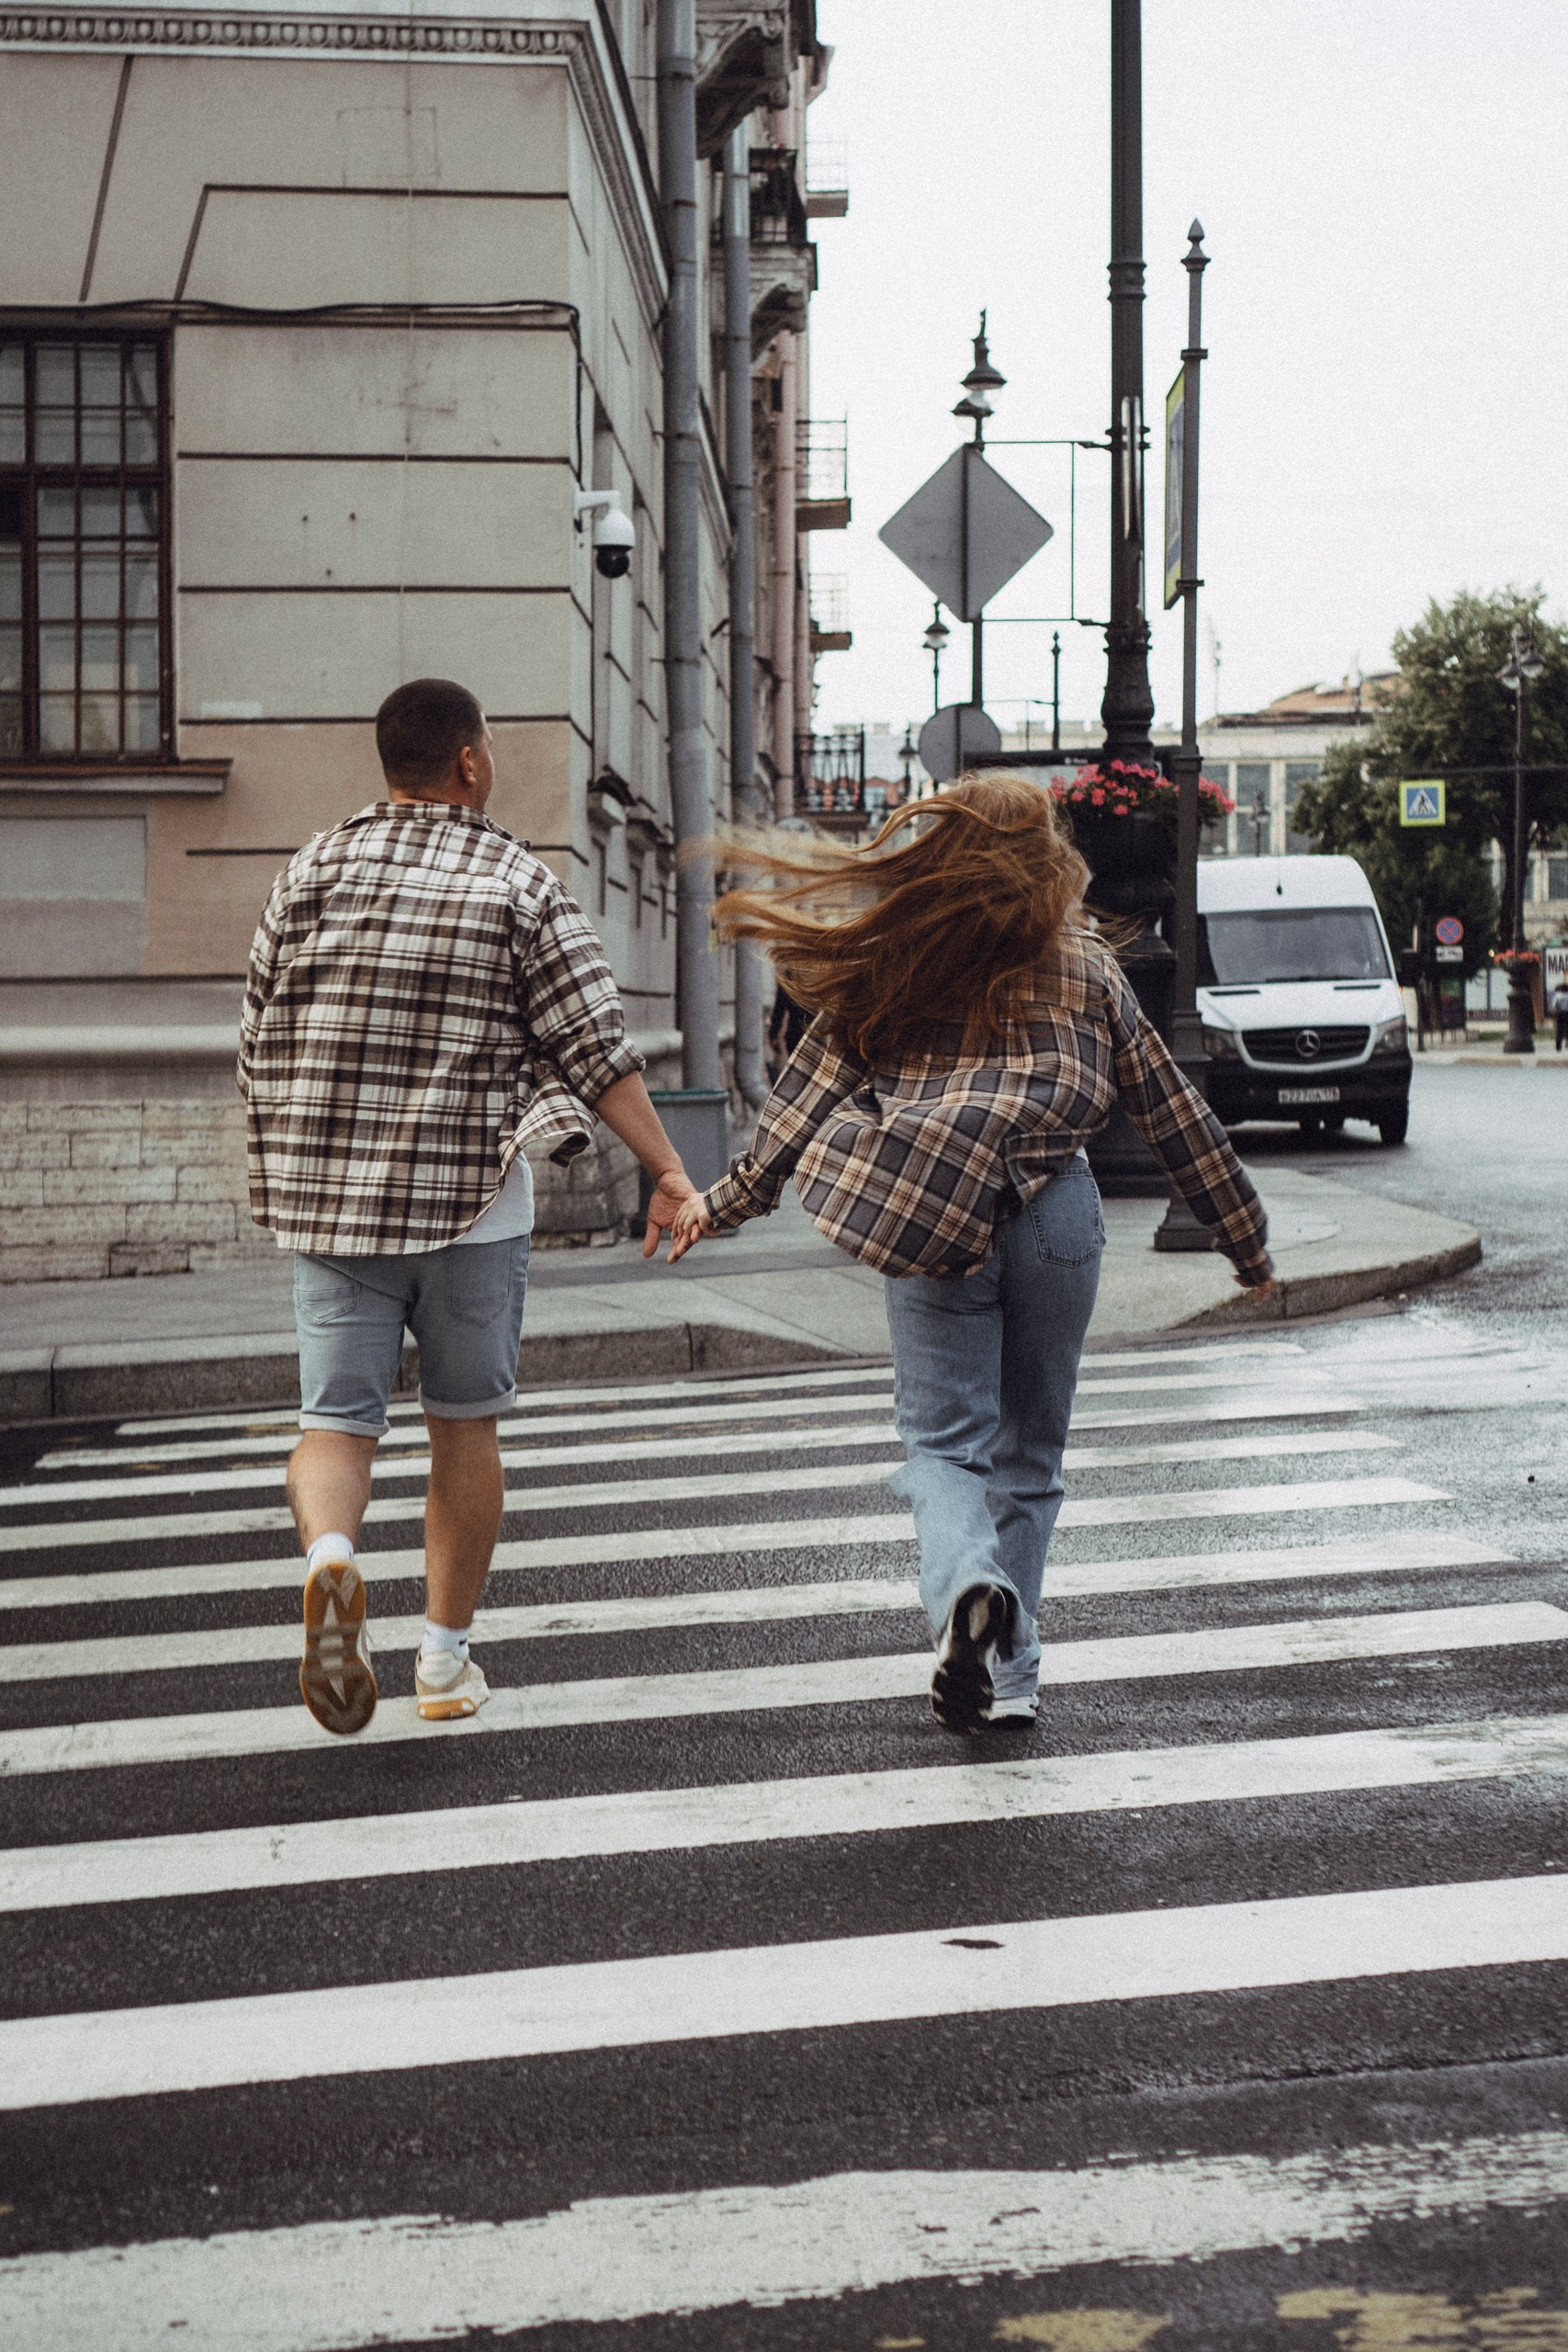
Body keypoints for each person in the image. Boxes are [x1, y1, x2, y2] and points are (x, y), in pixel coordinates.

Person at [670, 775, 1276, 1735]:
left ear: (939, 852)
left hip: (928, 1210)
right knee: (1029, 1455)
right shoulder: (1086, 965)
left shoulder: (898, 960)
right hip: (1059, 1215)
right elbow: (1172, 1106)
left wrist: (724, 1201)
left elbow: (802, 1099)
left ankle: (967, 1587)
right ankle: (1014, 1664)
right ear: (1041, 857)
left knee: (943, 1445)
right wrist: (1243, 1237)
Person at [238, 677, 695, 1736]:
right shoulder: (515, 880)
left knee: (334, 1422)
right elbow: (596, 1045)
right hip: (472, 1208)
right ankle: (442, 1664)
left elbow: (259, 1022)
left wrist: (296, 1151)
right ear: (471, 763)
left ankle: (333, 1561)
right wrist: (668, 1170)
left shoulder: (309, 868)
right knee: (463, 1427)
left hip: (331, 1203)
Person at [1552, 972, 1568, 1052]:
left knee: (1559, 1030)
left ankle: (1558, 1047)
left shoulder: (1558, 996)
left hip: (1560, 1014)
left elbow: (1554, 1005)